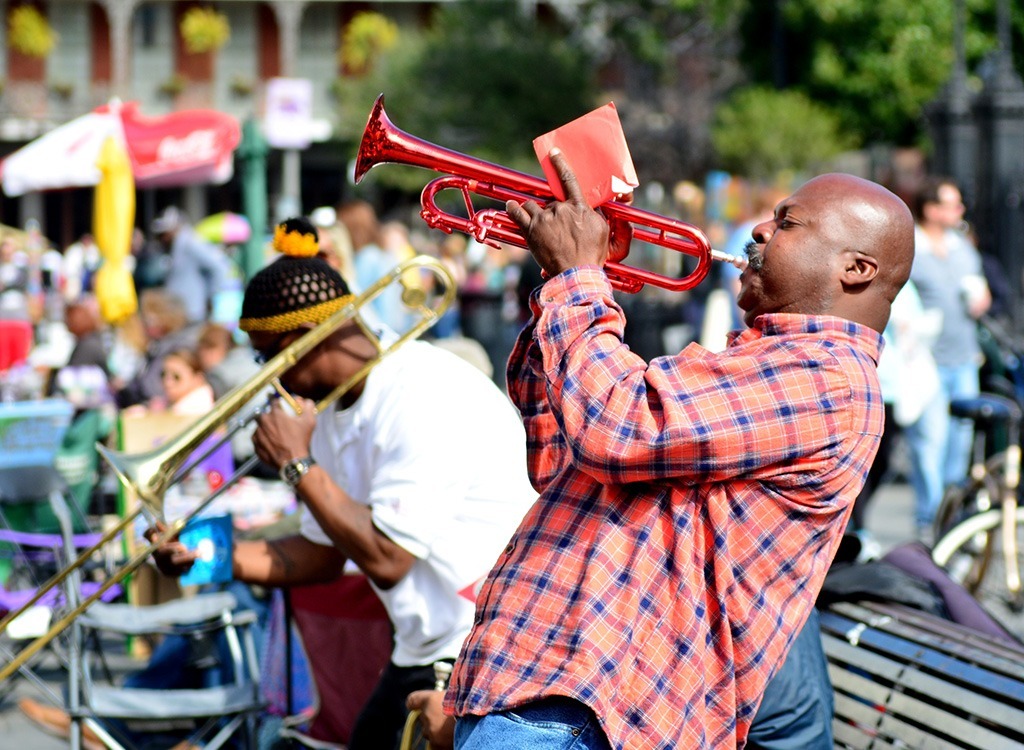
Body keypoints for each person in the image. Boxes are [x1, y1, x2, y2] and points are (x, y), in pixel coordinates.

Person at [417, 153, 914, 749]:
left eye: (787, 224)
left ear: (855, 269)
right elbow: (559, 454)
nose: (758, 230)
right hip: (544, 686)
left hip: (590, 712)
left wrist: (578, 281)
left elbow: (618, 430)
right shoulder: (743, 363)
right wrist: (561, 283)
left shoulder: (827, 379)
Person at [150, 217, 537, 750]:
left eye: (268, 357)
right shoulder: (331, 413)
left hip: (490, 642)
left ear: (307, 340)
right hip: (426, 646)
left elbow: (386, 555)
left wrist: (296, 464)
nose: (267, 377)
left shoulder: (418, 392)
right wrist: (202, 552)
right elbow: (323, 554)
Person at [904, 177, 991, 535]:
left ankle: (951, 524)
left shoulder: (962, 248)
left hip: (963, 359)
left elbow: (981, 289)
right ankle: (929, 522)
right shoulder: (913, 249)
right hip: (927, 362)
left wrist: (980, 300)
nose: (960, 211)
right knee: (930, 446)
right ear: (931, 209)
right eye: (952, 205)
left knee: (959, 447)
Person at [151, 206, 234, 324]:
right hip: (179, 315)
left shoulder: (191, 243)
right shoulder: (175, 246)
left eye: (164, 233)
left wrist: (210, 299)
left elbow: (220, 267)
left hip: (193, 315)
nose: (161, 238)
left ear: (174, 228)